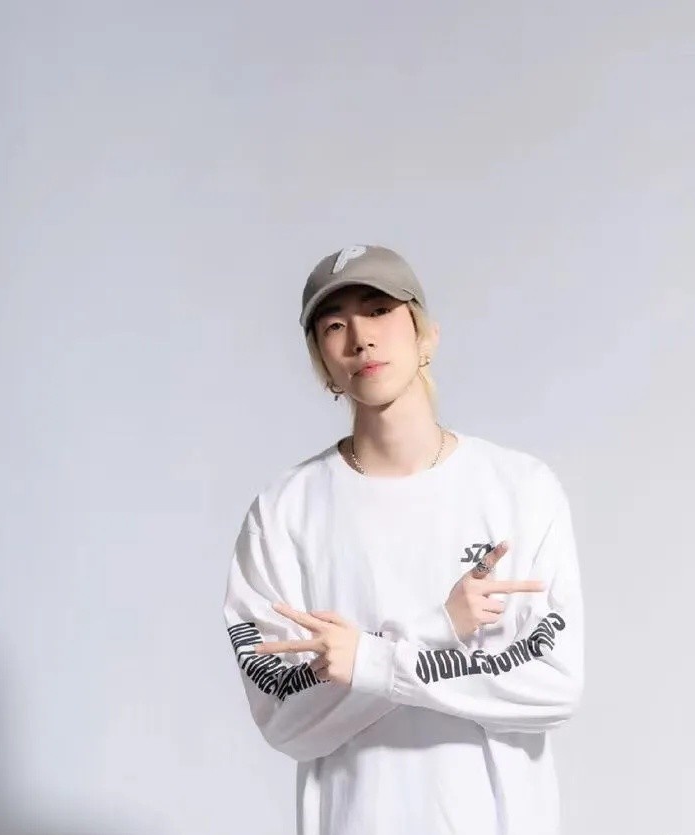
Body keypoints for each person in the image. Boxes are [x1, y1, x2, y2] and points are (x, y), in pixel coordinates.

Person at [222, 244, 584, 835]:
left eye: (379, 310)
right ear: (322, 365)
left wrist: (372, 660)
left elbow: (553, 687)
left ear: (426, 336)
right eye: (334, 325)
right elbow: (285, 722)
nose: (360, 338)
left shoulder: (520, 489)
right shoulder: (283, 513)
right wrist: (440, 631)